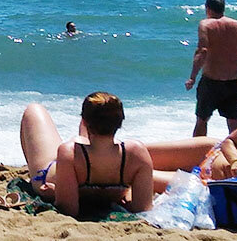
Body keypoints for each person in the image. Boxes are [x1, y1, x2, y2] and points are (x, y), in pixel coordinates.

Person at [20, 92, 153, 217]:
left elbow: (69, 209)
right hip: (108, 175)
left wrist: (56, 193)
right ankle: (87, 137)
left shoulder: (69, 152)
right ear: (120, 122)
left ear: (84, 121)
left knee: (33, 109)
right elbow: (142, 208)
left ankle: (86, 135)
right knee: (85, 143)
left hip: (51, 177)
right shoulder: (137, 152)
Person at [146, 105, 237, 187]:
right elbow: (229, 141)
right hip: (210, 152)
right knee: (134, 154)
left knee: (138, 174)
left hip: (206, 185)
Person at [186, 0, 237, 136]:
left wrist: (192, 77)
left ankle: (198, 153)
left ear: (207, 8)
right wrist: (228, 52)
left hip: (212, 82)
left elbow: (202, 51)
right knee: (233, 121)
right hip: (234, 81)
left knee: (202, 120)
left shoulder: (205, 24)